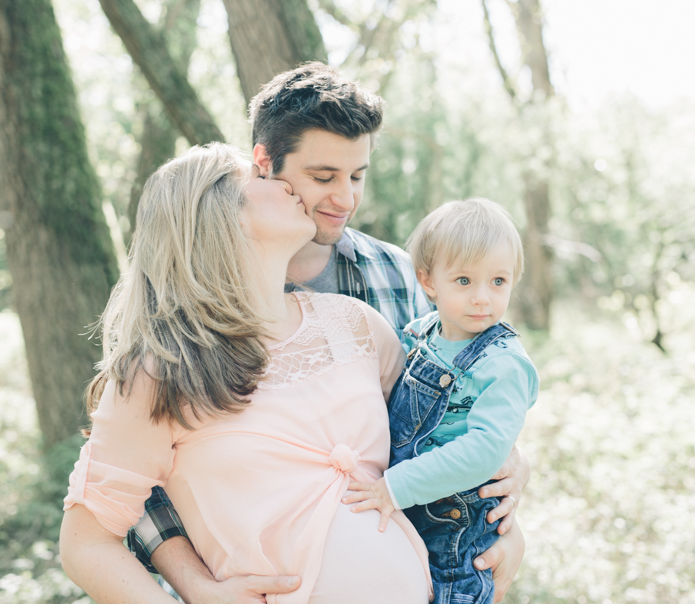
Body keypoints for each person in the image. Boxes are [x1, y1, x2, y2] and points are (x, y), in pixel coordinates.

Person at [128, 63, 530, 604]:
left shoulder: (396, 275)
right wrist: (195, 587)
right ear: (264, 165)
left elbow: (450, 413)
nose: (345, 198)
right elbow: (131, 487)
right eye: (323, 177)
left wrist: (507, 507)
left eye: (357, 175)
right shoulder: (185, 295)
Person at [60, 144, 433, 604]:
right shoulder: (163, 371)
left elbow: (444, 433)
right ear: (220, 215)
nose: (283, 184)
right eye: (259, 178)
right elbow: (85, 544)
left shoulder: (355, 325)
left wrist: (512, 470)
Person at [342, 199, 539, 604]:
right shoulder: (423, 333)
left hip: (456, 527)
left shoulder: (505, 365)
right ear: (428, 282)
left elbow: (483, 452)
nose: (483, 298)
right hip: (411, 506)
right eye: (464, 281)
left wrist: (394, 487)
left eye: (498, 281)